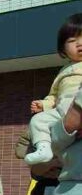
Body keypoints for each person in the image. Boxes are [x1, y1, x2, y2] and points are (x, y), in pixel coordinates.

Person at [25, 13, 82, 165]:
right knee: (37, 121)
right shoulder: (63, 71)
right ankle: (44, 148)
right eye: (72, 41)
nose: (79, 44)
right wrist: (44, 104)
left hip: (78, 106)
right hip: (61, 112)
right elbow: (54, 95)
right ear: (63, 49)